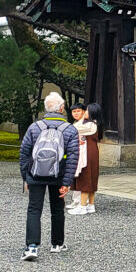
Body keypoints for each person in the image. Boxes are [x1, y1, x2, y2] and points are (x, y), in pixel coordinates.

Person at [19, 93, 79, 261]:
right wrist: (67, 182)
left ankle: (32, 247)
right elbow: (73, 157)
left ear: (46, 108)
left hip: (35, 174)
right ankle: (57, 244)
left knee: (34, 209)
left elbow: (24, 153)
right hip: (58, 174)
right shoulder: (70, 129)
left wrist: (26, 177)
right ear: (62, 108)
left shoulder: (34, 127)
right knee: (57, 209)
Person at [69, 102, 101, 215]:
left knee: (86, 177)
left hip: (88, 153)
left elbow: (74, 128)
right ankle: (91, 205)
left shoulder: (91, 125)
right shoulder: (91, 123)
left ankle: (82, 206)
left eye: (86, 110)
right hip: (90, 152)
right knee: (91, 177)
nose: (85, 113)